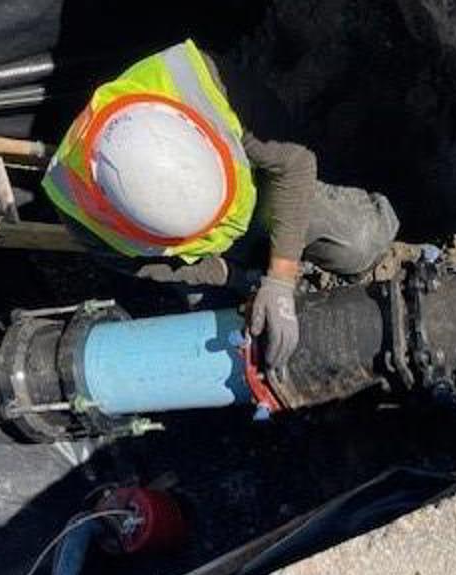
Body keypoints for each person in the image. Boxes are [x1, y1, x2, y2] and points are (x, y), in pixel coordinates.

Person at [42, 39, 400, 369]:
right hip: (203, 258)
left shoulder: (209, 87)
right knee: (229, 343)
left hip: (260, 195)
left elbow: (294, 164)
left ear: (201, 136)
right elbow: (148, 267)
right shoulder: (79, 206)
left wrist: (280, 278)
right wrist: (235, 277)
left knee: (358, 243)